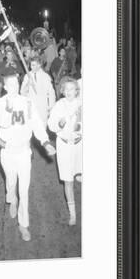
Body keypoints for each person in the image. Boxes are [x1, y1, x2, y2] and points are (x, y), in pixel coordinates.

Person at [0, 74, 56, 241]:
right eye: (10, 85)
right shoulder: (0, 103)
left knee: (24, 190)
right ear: (5, 87)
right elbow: (2, 123)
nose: (14, 87)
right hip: (7, 152)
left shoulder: (27, 102)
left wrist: (45, 142)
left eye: (16, 83)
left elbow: (36, 123)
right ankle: (11, 199)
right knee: (11, 183)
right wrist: (8, 108)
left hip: (23, 152)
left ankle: (24, 224)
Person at [47, 77, 82, 226]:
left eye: (71, 89)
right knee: (68, 181)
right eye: (66, 89)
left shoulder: (81, 104)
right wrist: (59, 124)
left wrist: (79, 128)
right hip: (64, 146)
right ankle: (73, 214)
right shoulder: (58, 105)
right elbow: (51, 125)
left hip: (80, 146)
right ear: (62, 91)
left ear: (76, 91)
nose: (68, 92)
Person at [21, 55, 56, 127]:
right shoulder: (27, 76)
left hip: (42, 106)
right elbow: (22, 93)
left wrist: (51, 107)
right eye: (31, 65)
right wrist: (28, 84)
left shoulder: (45, 76)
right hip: (30, 106)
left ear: (39, 65)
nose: (31, 67)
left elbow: (51, 93)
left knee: (43, 128)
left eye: (33, 65)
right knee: (30, 128)